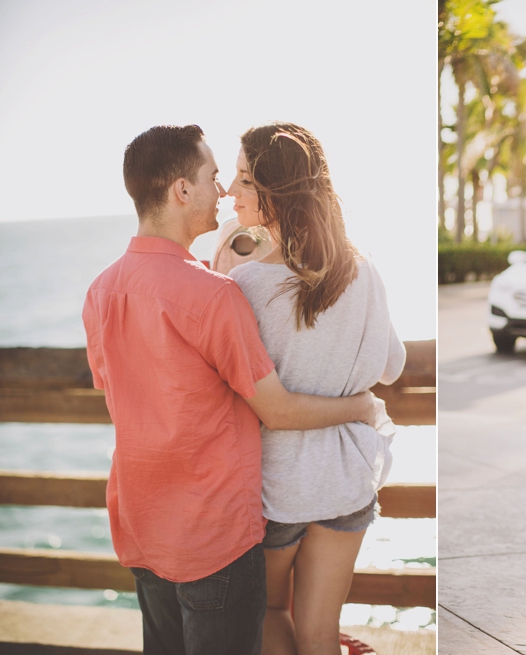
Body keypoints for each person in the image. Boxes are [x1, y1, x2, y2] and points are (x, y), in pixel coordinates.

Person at [82, 124, 380, 655]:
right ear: (181, 191)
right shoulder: (215, 295)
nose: (222, 191)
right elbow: (277, 408)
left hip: (142, 523)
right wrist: (360, 405)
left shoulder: (101, 290)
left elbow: (117, 394)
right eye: (214, 177)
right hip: (214, 533)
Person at [225, 122, 406, 655]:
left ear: (274, 193)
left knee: (271, 612)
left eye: (242, 180)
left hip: (276, 486)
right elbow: (391, 366)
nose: (230, 193)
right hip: (347, 478)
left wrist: (230, 260)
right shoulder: (364, 271)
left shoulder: (245, 284)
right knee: (323, 633)